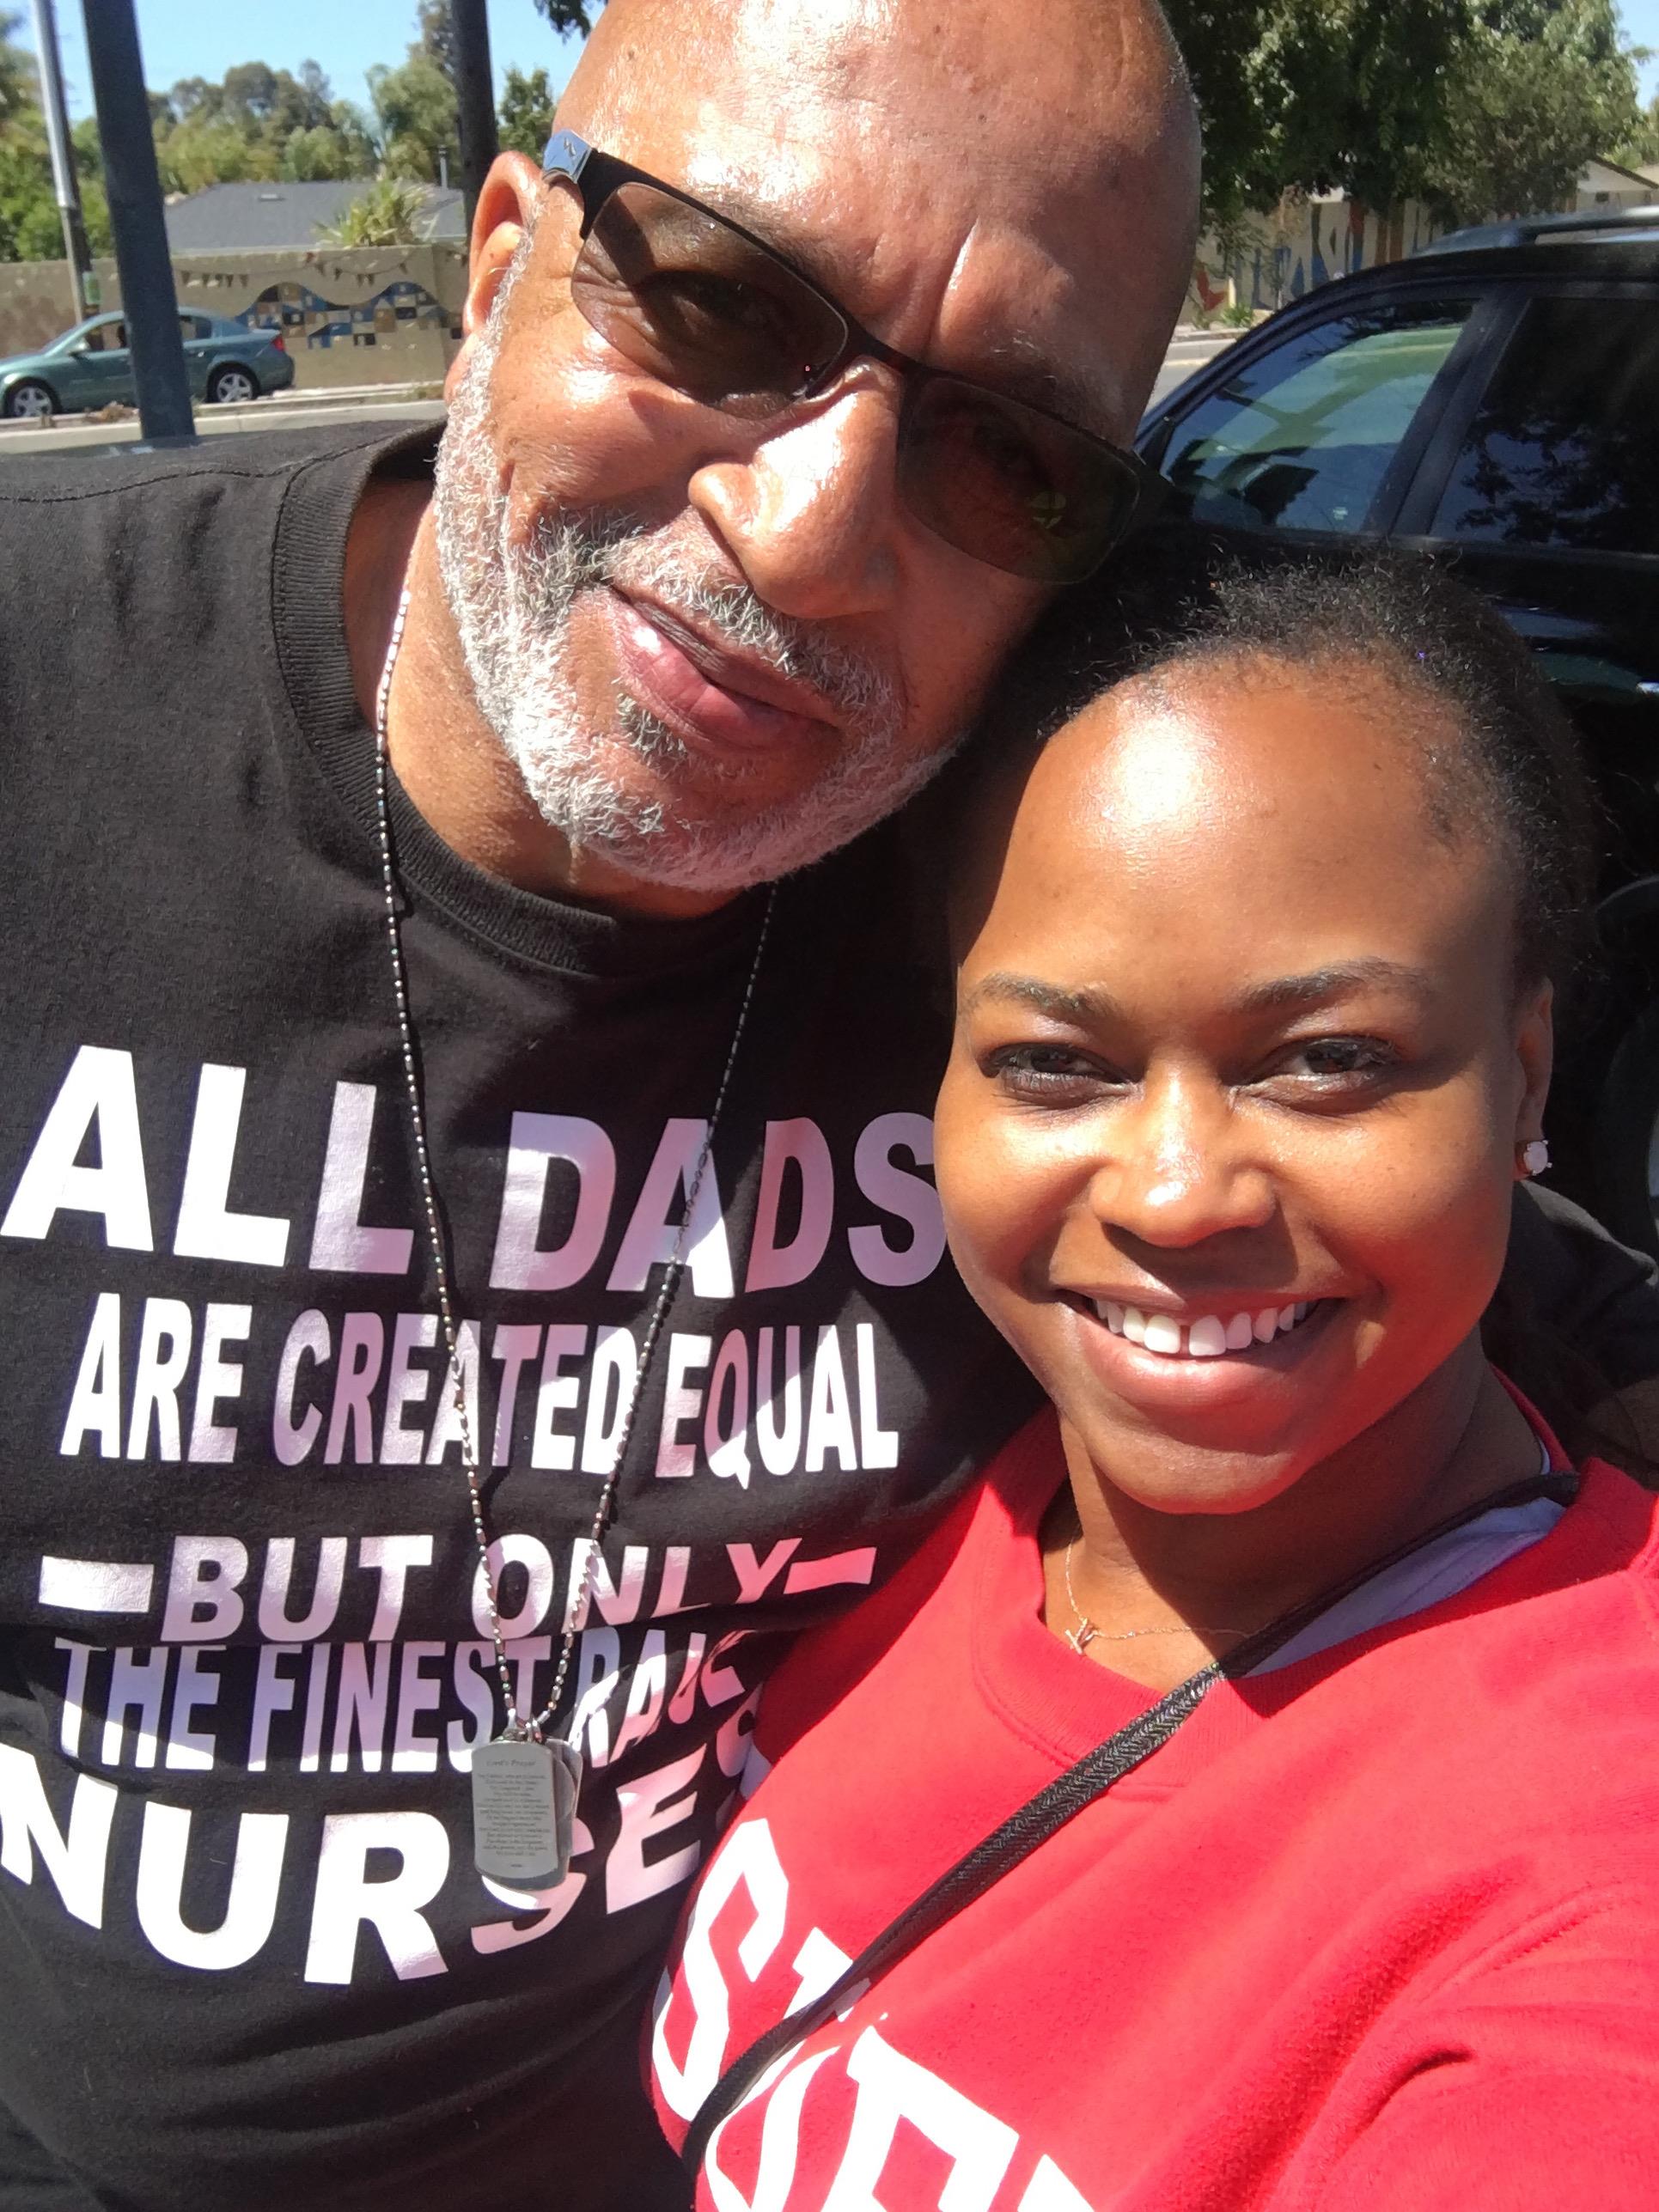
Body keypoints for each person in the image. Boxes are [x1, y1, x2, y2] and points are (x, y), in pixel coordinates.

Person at [0, 4, 1650, 2208]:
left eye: (1003, 455)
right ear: (500, 258)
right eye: (722, 300)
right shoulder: (50, 723)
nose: (807, 536)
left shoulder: (1006, 855)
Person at [650, 558, 1659, 2208]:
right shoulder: (909, 1495)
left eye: (1332, 1061)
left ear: (1523, 1071)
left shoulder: (1594, 1870)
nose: (1178, 1193)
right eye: (1056, 1064)